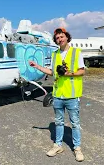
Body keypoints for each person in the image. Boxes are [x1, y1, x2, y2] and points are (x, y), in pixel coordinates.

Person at [29, 27, 85, 162]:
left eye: (62, 36)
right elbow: (52, 72)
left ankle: (77, 148)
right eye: (57, 38)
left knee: (75, 123)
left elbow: (81, 71)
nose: (60, 39)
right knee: (59, 122)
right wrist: (37, 66)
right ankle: (58, 145)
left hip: (71, 95)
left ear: (67, 37)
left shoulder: (76, 52)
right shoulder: (55, 55)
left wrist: (67, 73)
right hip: (58, 94)